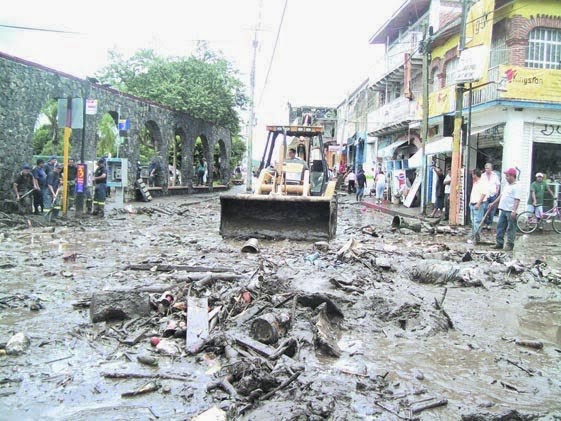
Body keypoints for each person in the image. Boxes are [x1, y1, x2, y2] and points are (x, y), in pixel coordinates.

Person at [490, 167, 521, 251]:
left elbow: (517, 199)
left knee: (511, 228)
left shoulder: (516, 186)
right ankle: (499, 243)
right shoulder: (507, 185)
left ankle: (510, 245)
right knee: (500, 227)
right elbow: (501, 195)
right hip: (503, 209)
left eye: (507, 176)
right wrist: (493, 203)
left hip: (510, 210)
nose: (506, 177)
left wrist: (514, 211)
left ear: (512, 176)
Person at [468, 169, 487, 244]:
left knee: (477, 221)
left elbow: (483, 194)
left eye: (472, 174)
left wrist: (478, 203)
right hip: (472, 203)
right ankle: (474, 236)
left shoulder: (482, 183)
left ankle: (476, 237)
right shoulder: (475, 183)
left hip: (478, 204)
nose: (472, 176)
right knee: (473, 221)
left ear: (475, 174)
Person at [481, 163, 501, 230]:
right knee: (485, 208)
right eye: (486, 168)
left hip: (493, 195)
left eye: (488, 168)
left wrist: (497, 192)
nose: (487, 169)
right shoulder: (482, 176)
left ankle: (489, 223)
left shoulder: (495, 175)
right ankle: (485, 222)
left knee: (492, 210)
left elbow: (498, 185)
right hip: (485, 195)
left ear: (491, 169)